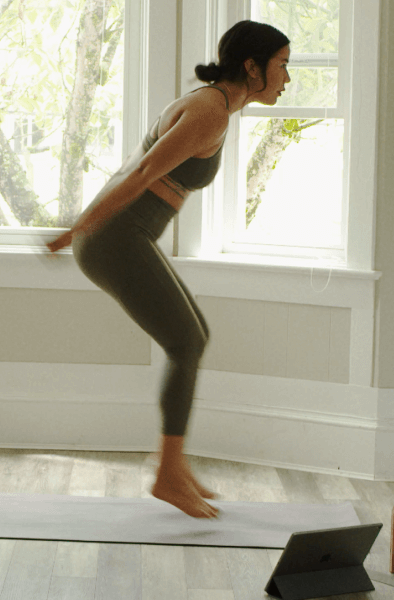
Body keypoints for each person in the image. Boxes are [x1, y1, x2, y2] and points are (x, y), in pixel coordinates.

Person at [46, 20, 292, 519]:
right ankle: (167, 474)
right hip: (114, 236)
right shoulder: (209, 112)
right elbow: (141, 175)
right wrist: (78, 228)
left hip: (122, 235)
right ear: (252, 67)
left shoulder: (216, 105)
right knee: (187, 342)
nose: (287, 79)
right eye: (282, 66)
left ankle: (174, 468)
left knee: (194, 335)